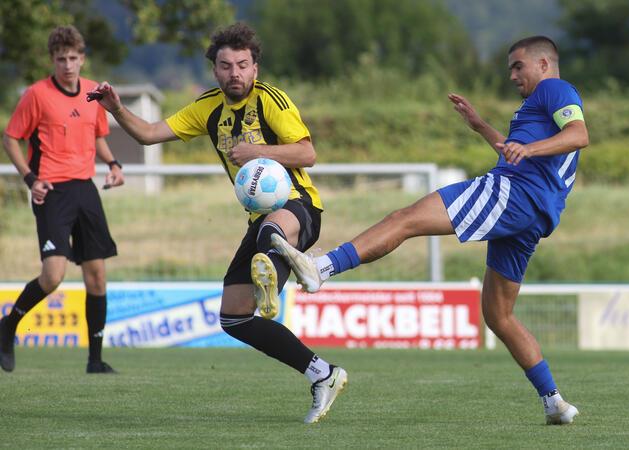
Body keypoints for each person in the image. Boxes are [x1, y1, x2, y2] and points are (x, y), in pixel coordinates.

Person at [271, 36, 589, 425]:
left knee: (404, 219)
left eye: (517, 66)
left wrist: (531, 151)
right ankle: (554, 401)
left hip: (515, 194)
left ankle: (320, 269)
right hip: (530, 213)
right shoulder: (535, 106)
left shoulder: (556, 89)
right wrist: (480, 126)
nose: (511, 75)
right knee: (498, 314)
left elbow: (579, 135)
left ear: (543, 63)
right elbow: (514, 150)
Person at [86, 22, 346, 424]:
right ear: (215, 70)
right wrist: (116, 108)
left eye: (243, 65)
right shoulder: (207, 107)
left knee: (271, 231)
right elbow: (150, 134)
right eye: (226, 66)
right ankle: (322, 374)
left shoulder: (271, 100)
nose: (235, 73)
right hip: (258, 221)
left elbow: (307, 153)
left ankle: (283, 270)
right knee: (234, 317)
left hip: (300, 209)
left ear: (255, 68)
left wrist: (258, 151)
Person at [0, 25, 124, 374]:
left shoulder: (92, 93)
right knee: (53, 276)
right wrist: (30, 178)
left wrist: (113, 164)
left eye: (73, 58)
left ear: (82, 59)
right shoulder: (36, 95)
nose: (68, 65)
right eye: (61, 59)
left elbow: (97, 134)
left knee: (97, 276)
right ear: (52, 61)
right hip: (51, 191)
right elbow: (10, 139)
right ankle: (7, 327)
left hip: (85, 188)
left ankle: (95, 360)